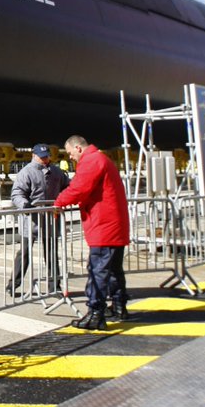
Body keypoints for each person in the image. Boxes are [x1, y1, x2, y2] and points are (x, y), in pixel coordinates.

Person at [52, 135, 130, 330]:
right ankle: (119, 307)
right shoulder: (102, 159)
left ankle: (96, 314)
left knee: (98, 270)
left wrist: (58, 202)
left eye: (70, 153)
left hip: (104, 225)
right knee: (113, 270)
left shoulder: (92, 161)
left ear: (78, 148)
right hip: (114, 224)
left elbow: (79, 188)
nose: (70, 157)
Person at [6, 143, 69, 297]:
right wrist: (24, 205)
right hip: (31, 221)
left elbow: (67, 186)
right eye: (41, 157)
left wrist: (66, 199)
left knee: (52, 254)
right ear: (34, 156)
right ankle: (13, 285)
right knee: (24, 253)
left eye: (46, 156)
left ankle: (55, 287)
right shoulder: (26, 172)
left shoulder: (56, 172)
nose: (44, 159)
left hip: (50, 219)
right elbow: (16, 193)